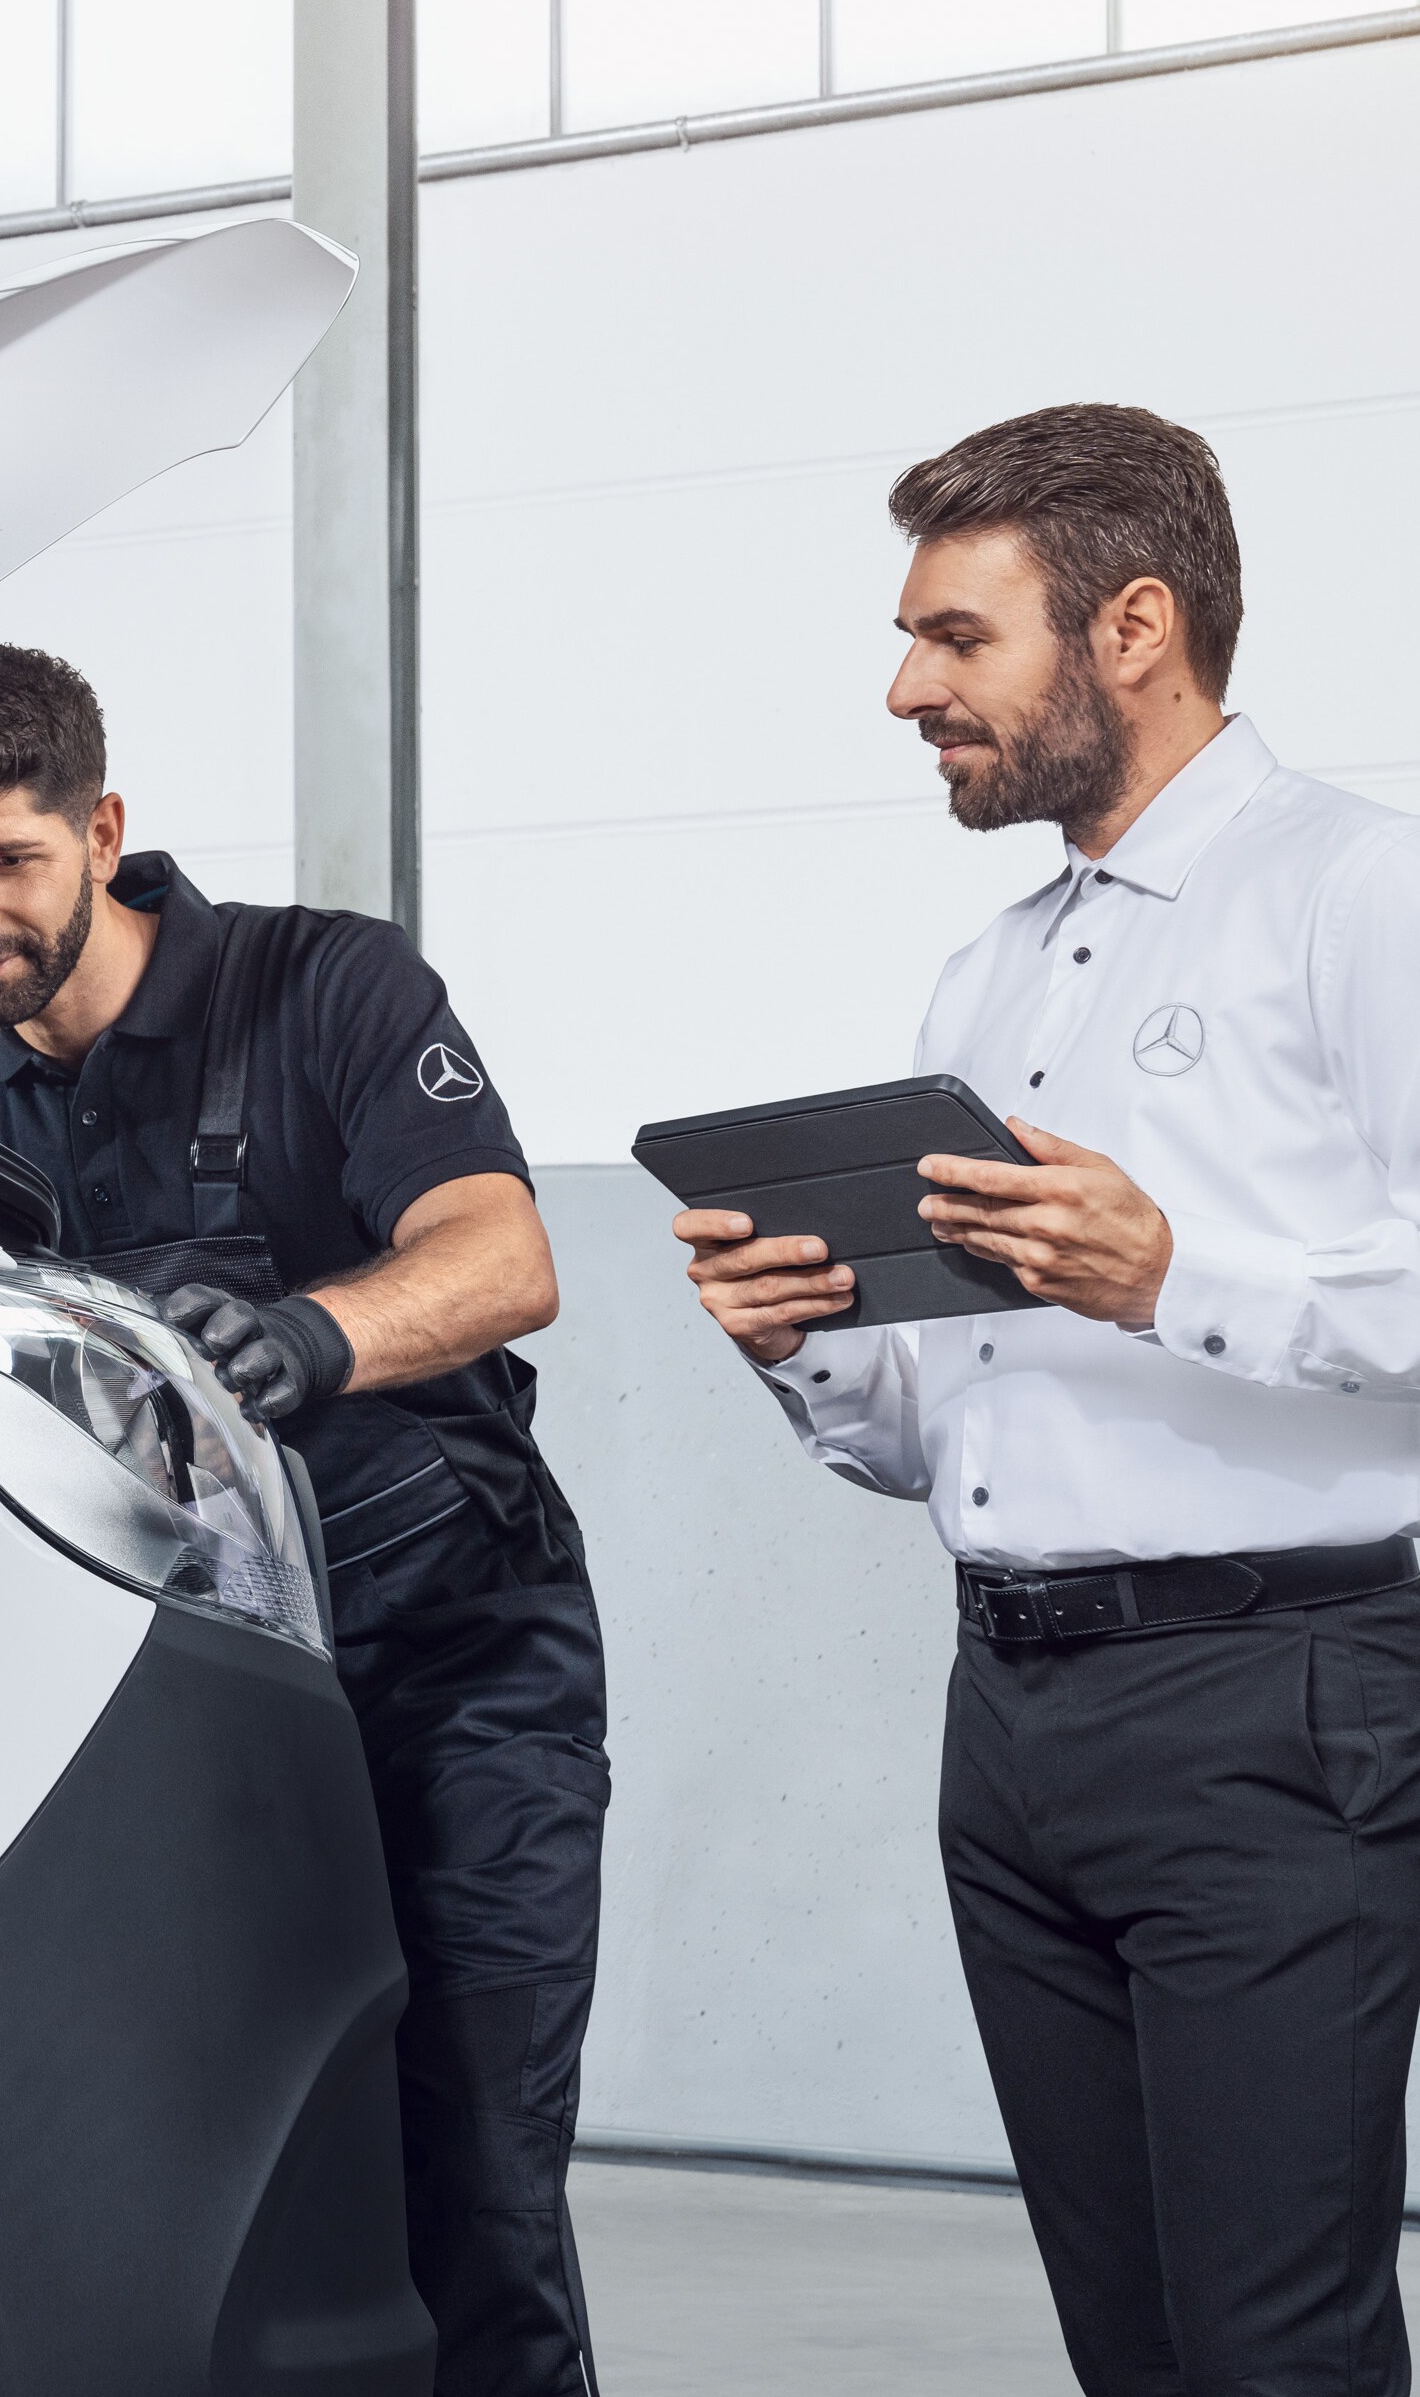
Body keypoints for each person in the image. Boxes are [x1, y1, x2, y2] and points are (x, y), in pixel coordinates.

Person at [676, 404, 1420, 2396]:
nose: (907, 690)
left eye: (956, 638)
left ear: (1135, 628)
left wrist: (1174, 1273)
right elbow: (943, 1425)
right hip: (1007, 1715)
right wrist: (810, 1349)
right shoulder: (985, 979)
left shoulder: (1365, 892)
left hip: (1276, 1704)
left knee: (1273, 2348)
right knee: (1132, 2345)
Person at [0, 643, 607, 2397]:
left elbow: (505, 1259)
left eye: (8, 860)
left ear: (101, 833)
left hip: (455, 1681)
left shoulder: (325, 988)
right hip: (162, 1725)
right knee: (217, 2195)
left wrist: (310, 1337)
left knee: (478, 2180)